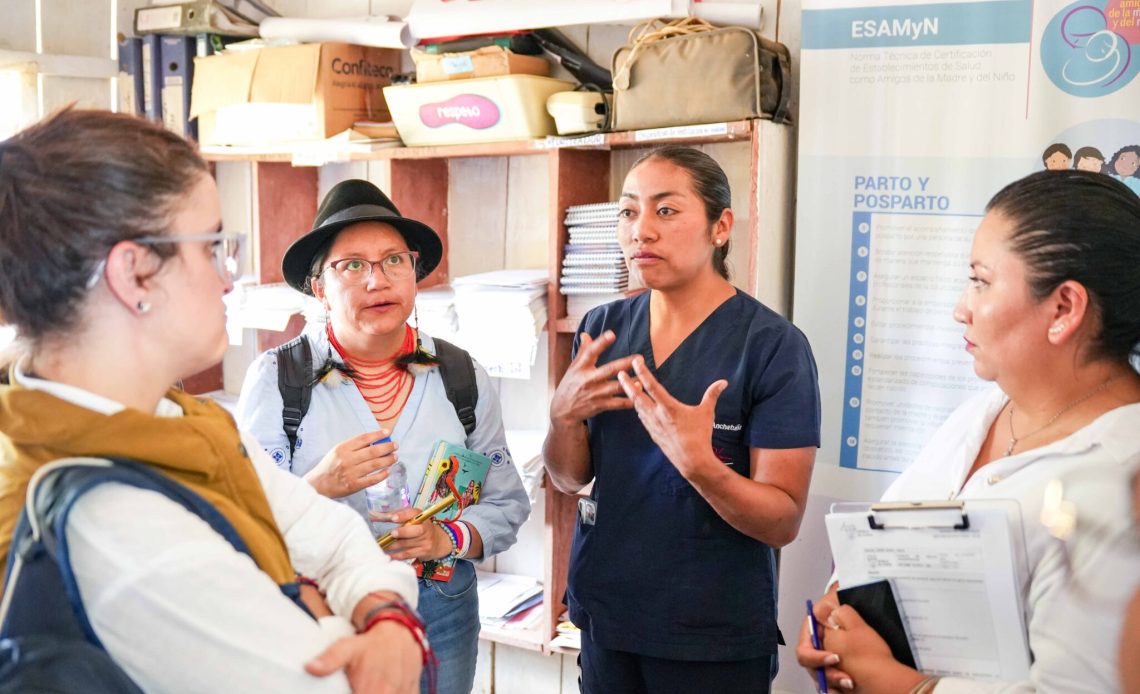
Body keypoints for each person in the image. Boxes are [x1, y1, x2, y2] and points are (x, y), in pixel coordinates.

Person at [0, 108, 426, 692]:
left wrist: (382, 615)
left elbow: (335, 539)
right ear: (136, 274)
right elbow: (326, 685)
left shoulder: (180, 421)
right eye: (210, 247)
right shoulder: (110, 515)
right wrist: (323, 608)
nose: (229, 279)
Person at [796, 169, 1140, 693]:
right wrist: (836, 613)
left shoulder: (1121, 477)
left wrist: (907, 687)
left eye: (981, 281)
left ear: (1064, 308)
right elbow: (879, 542)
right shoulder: (980, 414)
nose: (961, 309)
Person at [543, 145, 822, 693]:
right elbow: (570, 478)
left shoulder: (771, 346)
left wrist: (700, 466)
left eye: (666, 210)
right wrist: (562, 418)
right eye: (628, 211)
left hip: (710, 635)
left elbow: (782, 521)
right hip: (607, 620)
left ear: (721, 227)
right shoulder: (602, 328)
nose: (641, 230)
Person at [236, 178, 530, 694]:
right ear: (319, 287)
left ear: (414, 272)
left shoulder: (461, 375)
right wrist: (318, 484)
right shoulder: (279, 379)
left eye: (394, 260)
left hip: (442, 609)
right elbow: (242, 521)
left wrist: (445, 538)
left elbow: (506, 503)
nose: (378, 280)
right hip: (325, 607)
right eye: (352, 265)